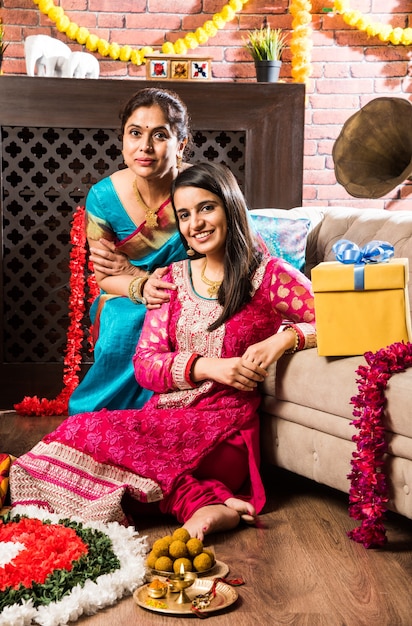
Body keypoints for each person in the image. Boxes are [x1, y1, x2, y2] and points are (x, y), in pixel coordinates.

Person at [10, 163, 316, 540]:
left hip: (224, 430)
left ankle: (207, 498)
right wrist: (207, 367)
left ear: (230, 207)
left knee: (98, 451)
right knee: (75, 445)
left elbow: (337, 319)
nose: (196, 224)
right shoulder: (172, 279)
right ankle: (207, 504)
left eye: (206, 208)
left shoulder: (269, 276)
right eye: (184, 215)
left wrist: (283, 339)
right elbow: (146, 365)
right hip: (163, 422)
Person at [68, 87, 191, 415]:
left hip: (194, 293)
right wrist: (139, 285)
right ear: (123, 139)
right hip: (128, 296)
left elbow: (217, 261)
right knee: (124, 322)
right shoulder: (103, 199)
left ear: (181, 144)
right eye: (135, 133)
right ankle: (108, 420)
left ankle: (168, 417)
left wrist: (137, 271)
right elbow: (107, 277)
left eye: (159, 135)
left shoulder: (199, 188)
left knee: (180, 321)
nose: (145, 147)